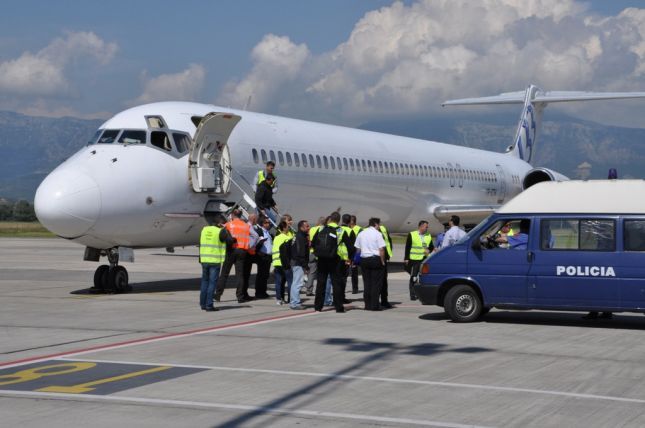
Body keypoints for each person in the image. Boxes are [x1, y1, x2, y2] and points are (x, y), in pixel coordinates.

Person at [312, 211, 352, 313]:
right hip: (335, 260)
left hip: (321, 259)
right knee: (336, 284)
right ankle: (339, 307)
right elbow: (350, 247)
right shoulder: (341, 230)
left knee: (321, 283)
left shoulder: (320, 228)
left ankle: (318, 306)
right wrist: (349, 258)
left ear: (330, 219)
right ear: (339, 220)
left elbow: (313, 243)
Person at [215, 209, 253, 303]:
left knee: (224, 273)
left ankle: (218, 294)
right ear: (241, 215)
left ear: (232, 215)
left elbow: (224, 233)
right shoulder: (246, 225)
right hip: (242, 251)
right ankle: (240, 296)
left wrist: (221, 225)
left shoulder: (229, 224)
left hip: (231, 250)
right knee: (240, 275)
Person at [199, 214, 233, 311]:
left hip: (204, 260)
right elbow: (230, 241)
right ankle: (209, 305)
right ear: (219, 223)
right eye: (223, 224)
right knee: (212, 283)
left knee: (204, 282)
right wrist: (227, 231)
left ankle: (203, 304)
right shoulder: (221, 231)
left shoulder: (204, 230)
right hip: (214, 261)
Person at [354, 217, 386, 311]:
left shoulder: (361, 233)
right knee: (376, 284)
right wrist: (382, 261)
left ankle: (367, 305)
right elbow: (381, 249)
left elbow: (358, 249)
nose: (379, 226)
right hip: (375, 259)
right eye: (379, 224)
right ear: (376, 224)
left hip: (364, 260)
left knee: (367, 283)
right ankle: (374, 305)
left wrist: (357, 260)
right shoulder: (378, 234)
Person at [404, 220, 433, 301]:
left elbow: (431, 247)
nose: (427, 228)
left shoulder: (428, 235)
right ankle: (412, 294)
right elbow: (408, 247)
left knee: (424, 277)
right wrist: (406, 258)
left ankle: (422, 294)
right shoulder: (412, 234)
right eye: (426, 227)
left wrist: (429, 250)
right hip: (414, 259)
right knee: (413, 277)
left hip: (424, 259)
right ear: (420, 226)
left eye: (427, 227)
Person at [289, 220, 310, 310]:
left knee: (296, 283)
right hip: (298, 263)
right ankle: (295, 303)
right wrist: (305, 266)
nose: (309, 228)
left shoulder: (299, 236)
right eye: (307, 226)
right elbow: (300, 253)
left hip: (296, 262)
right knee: (297, 283)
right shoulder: (300, 237)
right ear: (301, 227)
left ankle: (294, 302)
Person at [272, 221, 293, 305]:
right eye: (288, 227)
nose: (289, 228)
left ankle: (279, 299)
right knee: (290, 281)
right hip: (284, 263)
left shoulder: (276, 237)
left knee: (278, 282)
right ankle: (290, 298)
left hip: (276, 263)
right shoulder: (286, 238)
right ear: (284, 228)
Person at [304, 216, 326, 296]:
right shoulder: (324, 229)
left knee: (311, 273)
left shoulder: (312, 229)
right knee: (322, 273)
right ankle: (321, 290)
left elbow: (308, 239)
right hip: (321, 253)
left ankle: (309, 290)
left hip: (311, 252)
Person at [254, 215, 273, 299]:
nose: (268, 224)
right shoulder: (260, 231)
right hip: (262, 256)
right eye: (266, 222)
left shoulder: (267, 232)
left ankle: (263, 291)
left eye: (268, 222)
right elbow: (256, 243)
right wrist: (258, 252)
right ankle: (259, 293)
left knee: (265, 275)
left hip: (268, 256)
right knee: (261, 275)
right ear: (262, 223)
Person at [340, 213, 357, 303]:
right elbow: (352, 247)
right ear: (350, 221)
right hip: (345, 258)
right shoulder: (350, 231)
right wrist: (351, 259)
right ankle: (341, 297)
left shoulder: (337, 229)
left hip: (335, 257)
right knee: (343, 278)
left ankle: (336, 296)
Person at [379, 221, 394, 309]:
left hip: (382, 258)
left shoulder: (383, 229)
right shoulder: (369, 231)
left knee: (383, 282)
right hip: (377, 258)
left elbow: (388, 241)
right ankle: (380, 301)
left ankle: (383, 300)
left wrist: (388, 255)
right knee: (380, 282)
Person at [349, 215, 362, 294]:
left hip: (356, 252)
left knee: (354, 271)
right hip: (348, 252)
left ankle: (355, 288)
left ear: (352, 221)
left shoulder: (359, 229)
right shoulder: (348, 229)